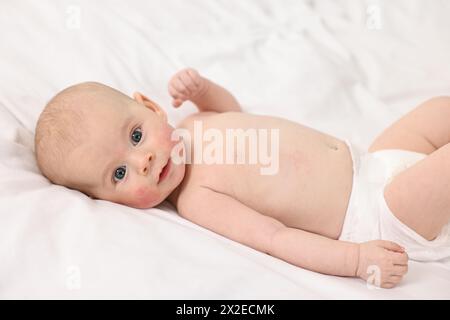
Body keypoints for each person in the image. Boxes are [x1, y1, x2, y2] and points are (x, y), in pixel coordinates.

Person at [34, 68, 450, 288]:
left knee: (438, 109)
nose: (142, 161)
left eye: (136, 135)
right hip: (376, 213)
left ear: (151, 107)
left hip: (372, 161)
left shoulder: (195, 122)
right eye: (119, 173)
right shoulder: (198, 198)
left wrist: (203, 90)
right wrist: (357, 261)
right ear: (110, 202)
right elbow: (274, 237)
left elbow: (235, 115)